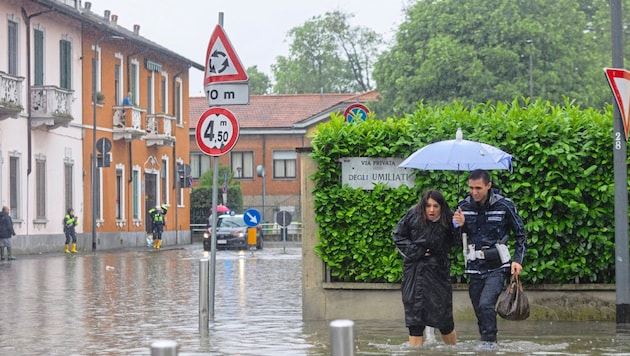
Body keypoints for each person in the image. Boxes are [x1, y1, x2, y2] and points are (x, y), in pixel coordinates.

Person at [453, 169, 527, 348]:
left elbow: (520, 235)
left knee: (486, 305)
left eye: (478, 188)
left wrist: (517, 260)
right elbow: (456, 240)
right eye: (471, 188)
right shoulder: (463, 206)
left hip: (497, 266)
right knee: (480, 309)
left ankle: (489, 345)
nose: (474, 192)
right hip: (473, 267)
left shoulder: (504, 205)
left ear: (488, 185)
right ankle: (486, 342)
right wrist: (459, 226)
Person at [392, 189, 459, 346]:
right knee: (415, 321)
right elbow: (398, 236)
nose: (431, 210)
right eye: (428, 206)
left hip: (438, 273)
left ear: (441, 207)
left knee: (445, 320)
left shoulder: (449, 218)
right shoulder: (413, 215)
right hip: (414, 273)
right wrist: (417, 251)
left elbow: (457, 242)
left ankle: (452, 350)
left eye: (435, 206)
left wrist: (460, 226)